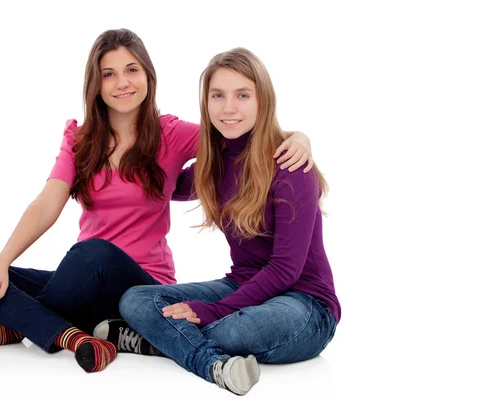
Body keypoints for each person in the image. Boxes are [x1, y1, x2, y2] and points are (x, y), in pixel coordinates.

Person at [0, 29, 314, 374]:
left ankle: (21, 327)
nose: (122, 83)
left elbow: (238, 139)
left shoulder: (172, 134)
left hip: (143, 282)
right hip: (83, 279)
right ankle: (72, 335)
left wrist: (299, 138)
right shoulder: (80, 142)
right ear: (95, 84)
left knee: (93, 253)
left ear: (148, 76)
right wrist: (2, 262)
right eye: (108, 74)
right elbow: (47, 203)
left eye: (131, 70)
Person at [95, 47, 340, 395]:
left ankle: (153, 343)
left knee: (237, 329)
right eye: (218, 95)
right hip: (242, 286)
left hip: (305, 304)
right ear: (206, 102)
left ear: (263, 100)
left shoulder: (290, 165)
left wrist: (211, 311)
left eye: (242, 95)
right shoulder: (217, 161)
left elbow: (286, 269)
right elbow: (166, 184)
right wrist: (126, 134)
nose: (228, 108)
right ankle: (196, 353)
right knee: (135, 299)